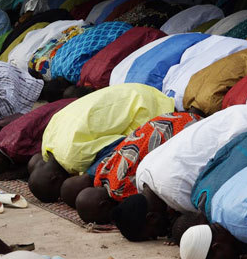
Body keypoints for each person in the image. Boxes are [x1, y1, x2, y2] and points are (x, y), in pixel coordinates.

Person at [112, 105, 247, 242]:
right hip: (239, 113)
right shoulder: (143, 172)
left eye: (153, 235)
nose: (159, 235)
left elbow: (206, 221)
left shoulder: (178, 194)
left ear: (152, 218)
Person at [29, 83, 174, 202]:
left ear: (56, 179)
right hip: (126, 90)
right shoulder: (47, 141)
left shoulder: (74, 159)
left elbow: (122, 144)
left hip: (143, 103)